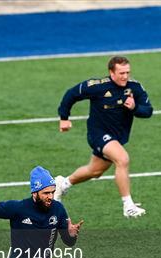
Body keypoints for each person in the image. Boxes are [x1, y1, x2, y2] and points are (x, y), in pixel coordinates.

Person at [55, 56, 154, 218]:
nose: (125, 76)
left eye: (127, 72)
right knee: (122, 159)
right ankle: (128, 205)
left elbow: (148, 111)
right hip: (97, 134)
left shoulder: (135, 88)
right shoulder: (97, 86)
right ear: (111, 72)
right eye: (121, 73)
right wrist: (64, 118)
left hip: (117, 138)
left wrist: (135, 108)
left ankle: (63, 184)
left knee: (94, 171)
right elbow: (71, 94)